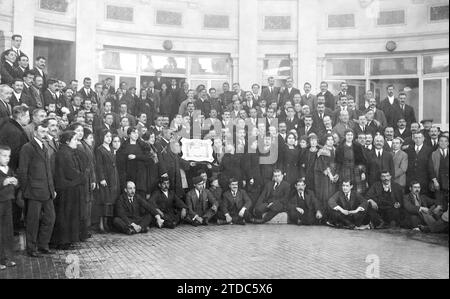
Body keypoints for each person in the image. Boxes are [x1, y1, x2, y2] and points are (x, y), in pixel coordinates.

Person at [17, 122, 56, 257]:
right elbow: (22, 171)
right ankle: (32, 249)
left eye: (46, 131)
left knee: (50, 218)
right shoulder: (27, 148)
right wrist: (26, 190)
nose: (44, 134)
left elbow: (48, 171)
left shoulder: (44, 147)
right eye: (42, 131)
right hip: (33, 192)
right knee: (32, 221)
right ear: (35, 132)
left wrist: (52, 189)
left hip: (47, 191)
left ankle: (43, 245)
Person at [52, 131, 87, 250]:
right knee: (66, 215)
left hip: (70, 188)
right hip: (66, 189)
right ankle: (63, 241)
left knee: (69, 215)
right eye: (75, 140)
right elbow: (70, 172)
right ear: (67, 141)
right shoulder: (64, 154)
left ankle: (67, 240)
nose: (77, 142)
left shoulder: (68, 152)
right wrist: (82, 177)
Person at [95, 129, 120, 233]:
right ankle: (101, 225)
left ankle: (106, 224)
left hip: (113, 177)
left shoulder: (111, 149)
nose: (109, 139)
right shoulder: (99, 149)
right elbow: (99, 165)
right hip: (105, 178)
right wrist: (101, 178)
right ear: (102, 137)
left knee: (110, 201)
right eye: (107, 136)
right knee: (104, 201)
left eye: (110, 136)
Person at [116, 127, 151, 197]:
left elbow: (147, 157)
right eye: (134, 133)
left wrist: (136, 157)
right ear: (129, 135)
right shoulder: (124, 146)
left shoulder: (143, 145)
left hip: (140, 175)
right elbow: (120, 160)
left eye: (137, 133)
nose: (136, 135)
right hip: (129, 175)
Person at [0, 146, 18, 270]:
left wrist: (16, 182)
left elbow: (16, 183)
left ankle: (7, 258)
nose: (7, 158)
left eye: (9, 156)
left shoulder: (9, 169)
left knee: (7, 231)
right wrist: (3, 183)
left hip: (8, 203)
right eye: (4, 156)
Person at [335, 129, 367, 194]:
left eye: (351, 135)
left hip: (355, 170)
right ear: (344, 136)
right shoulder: (340, 147)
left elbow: (362, 160)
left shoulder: (357, 146)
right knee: (344, 188)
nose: (350, 137)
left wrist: (363, 172)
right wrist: (337, 173)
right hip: (344, 170)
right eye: (348, 135)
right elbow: (337, 162)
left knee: (356, 189)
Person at [314, 134, 338, 217]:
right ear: (325, 141)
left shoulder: (335, 149)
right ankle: (324, 215)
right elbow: (323, 165)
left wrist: (336, 174)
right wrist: (330, 175)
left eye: (332, 139)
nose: (330, 141)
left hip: (335, 174)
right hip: (326, 176)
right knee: (326, 194)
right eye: (328, 140)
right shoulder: (323, 151)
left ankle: (332, 215)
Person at [429, 135, 449, 212]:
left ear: (448, 143)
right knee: (439, 205)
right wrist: (435, 181)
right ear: (438, 142)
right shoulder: (433, 154)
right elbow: (430, 168)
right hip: (438, 181)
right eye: (441, 141)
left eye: (445, 141)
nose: (443, 143)